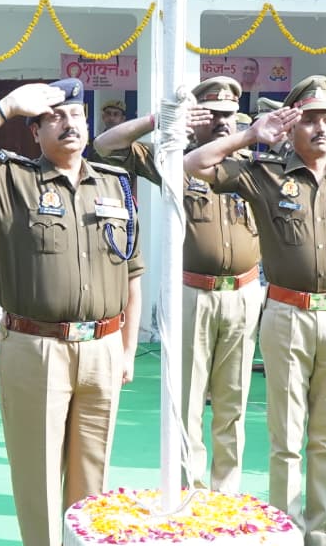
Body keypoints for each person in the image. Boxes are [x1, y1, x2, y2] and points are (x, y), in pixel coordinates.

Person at [184, 75, 326, 546]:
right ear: (292, 124)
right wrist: (252, 135)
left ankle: (320, 541)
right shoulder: (265, 175)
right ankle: (285, 539)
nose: (322, 128)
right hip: (286, 314)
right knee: (287, 438)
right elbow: (194, 165)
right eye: (310, 119)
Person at [0, 78, 143, 546]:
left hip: (103, 347)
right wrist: (6, 106)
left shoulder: (114, 184)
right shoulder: (11, 181)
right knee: (39, 475)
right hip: (37, 347)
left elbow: (132, 274)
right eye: (55, 117)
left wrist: (128, 349)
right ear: (35, 131)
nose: (69, 123)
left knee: (92, 476)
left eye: (76, 115)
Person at [93, 77, 262, 494]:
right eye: (213, 115)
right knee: (187, 401)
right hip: (192, 294)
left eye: (229, 115)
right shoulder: (172, 160)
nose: (223, 123)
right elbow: (105, 146)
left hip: (243, 294)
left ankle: (226, 492)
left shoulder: (255, 165)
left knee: (233, 401)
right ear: (197, 117)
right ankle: (190, 490)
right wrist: (160, 121)